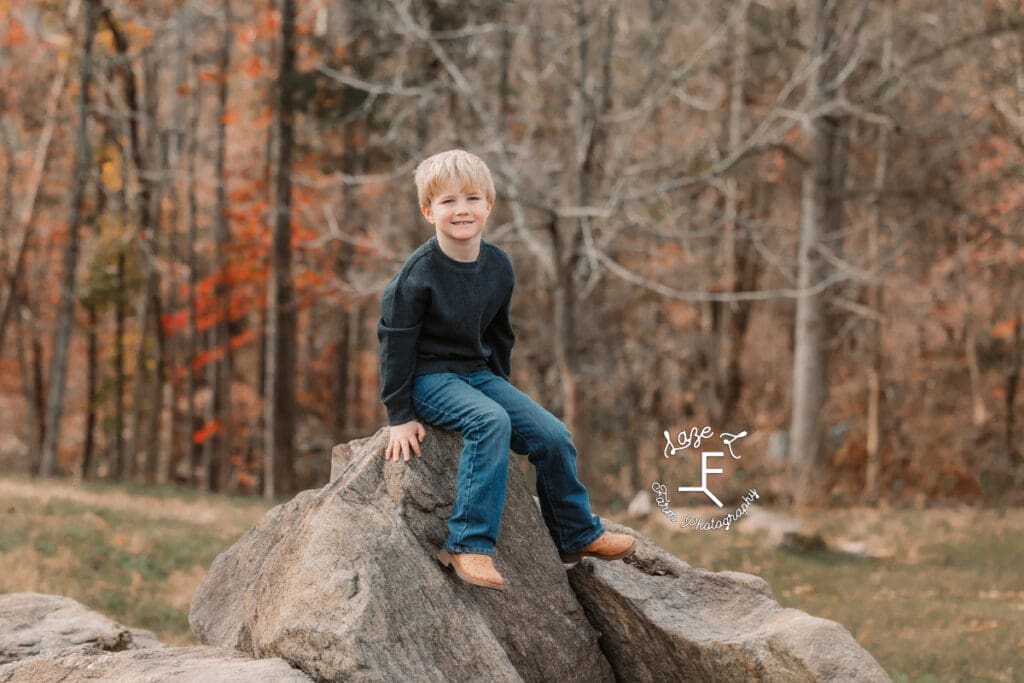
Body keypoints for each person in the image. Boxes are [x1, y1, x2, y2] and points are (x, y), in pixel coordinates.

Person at [376, 149, 636, 591]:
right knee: (488, 421)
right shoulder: (416, 276)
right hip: (427, 378)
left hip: (478, 374)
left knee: (553, 435)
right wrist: (399, 416)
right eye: (448, 202)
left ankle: (575, 534)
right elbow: (394, 344)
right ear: (428, 211)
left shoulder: (498, 265)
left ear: (489, 205)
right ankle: (468, 544)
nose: (462, 210)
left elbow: (500, 335)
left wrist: (499, 387)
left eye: (473, 198)